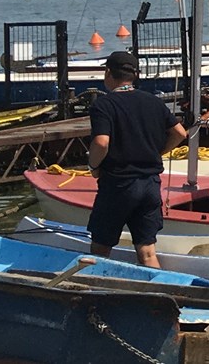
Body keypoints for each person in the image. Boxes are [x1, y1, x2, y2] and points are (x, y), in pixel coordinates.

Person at [86, 50, 186, 268]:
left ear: (108, 73)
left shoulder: (104, 105)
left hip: (118, 184)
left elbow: (101, 142)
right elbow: (179, 132)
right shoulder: (154, 102)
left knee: (100, 248)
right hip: (150, 184)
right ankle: (159, 292)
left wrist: (93, 165)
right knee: (148, 251)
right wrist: (157, 152)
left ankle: (95, 290)